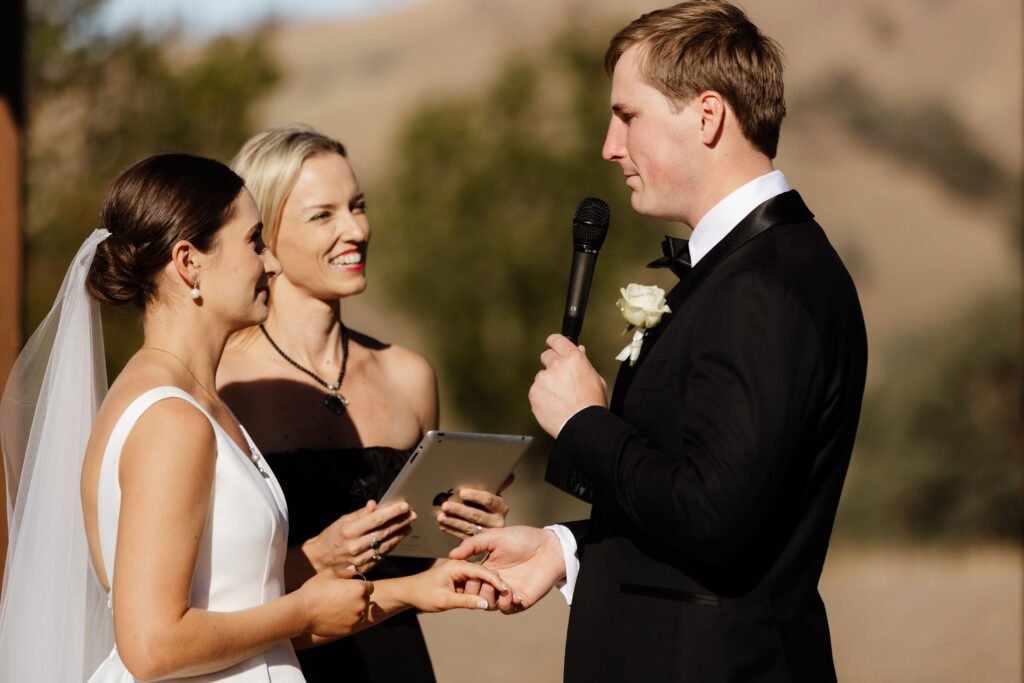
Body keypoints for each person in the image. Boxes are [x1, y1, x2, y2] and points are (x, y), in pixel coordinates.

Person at [451, 2, 868, 682]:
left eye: (627, 116)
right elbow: (712, 516)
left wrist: (584, 423)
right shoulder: (748, 270)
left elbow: (712, 515)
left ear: (707, 115)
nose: (610, 147)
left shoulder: (766, 285)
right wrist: (568, 548)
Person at [0, 153, 507, 682]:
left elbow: (238, 601)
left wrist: (410, 588)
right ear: (189, 262)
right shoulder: (171, 420)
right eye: (254, 242)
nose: (273, 264)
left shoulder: (196, 400)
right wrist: (307, 610)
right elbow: (151, 646)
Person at [218, 124, 511, 682]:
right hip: (275, 669)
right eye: (322, 215)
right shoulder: (223, 384)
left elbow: (418, 567)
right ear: (266, 236)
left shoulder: (409, 375)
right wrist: (311, 561)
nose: (355, 229)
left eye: (358, 206)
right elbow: (194, 591)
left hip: (396, 663)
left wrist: (470, 529)